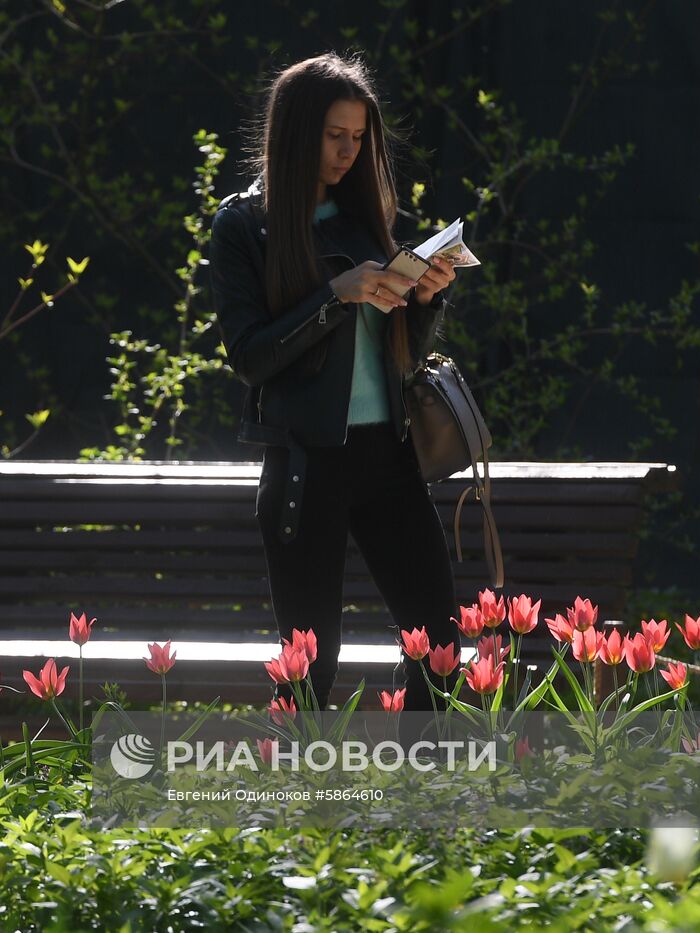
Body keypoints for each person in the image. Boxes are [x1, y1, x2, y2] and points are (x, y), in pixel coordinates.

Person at [208, 51, 461, 712]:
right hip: (304, 465)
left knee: (437, 646)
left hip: (389, 456)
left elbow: (401, 361)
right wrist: (333, 297)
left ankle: (425, 804)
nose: (349, 152)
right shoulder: (243, 226)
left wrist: (426, 298)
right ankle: (300, 808)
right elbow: (251, 357)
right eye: (334, 136)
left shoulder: (367, 220)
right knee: (312, 666)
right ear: (296, 132)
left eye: (359, 138)